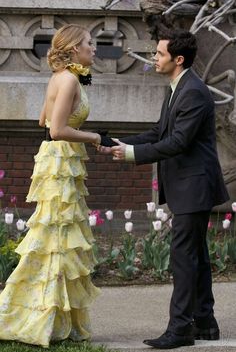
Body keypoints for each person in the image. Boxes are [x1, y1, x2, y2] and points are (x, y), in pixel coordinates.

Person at [99, 29, 229, 349]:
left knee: (183, 258)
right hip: (189, 188)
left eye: (159, 54)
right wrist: (122, 142)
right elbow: (160, 131)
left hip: (194, 188)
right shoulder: (177, 88)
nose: (154, 58)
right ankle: (205, 322)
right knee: (194, 256)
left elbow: (178, 142)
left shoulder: (193, 92)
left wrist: (131, 155)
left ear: (178, 59)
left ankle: (181, 328)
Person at [0, 24, 101, 347]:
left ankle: (54, 318)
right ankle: (41, 318)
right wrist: (93, 136)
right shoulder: (69, 79)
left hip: (59, 162)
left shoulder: (62, 77)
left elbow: (42, 119)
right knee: (58, 239)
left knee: (58, 239)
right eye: (89, 43)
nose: (94, 48)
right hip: (59, 163)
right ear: (74, 49)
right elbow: (56, 129)